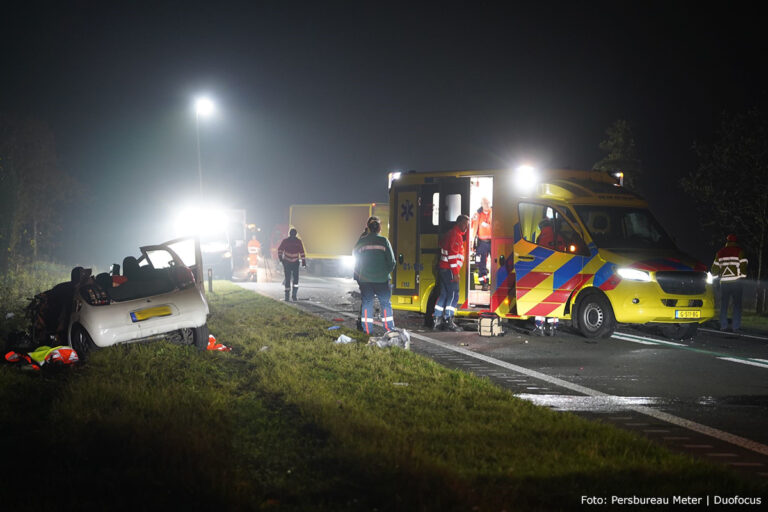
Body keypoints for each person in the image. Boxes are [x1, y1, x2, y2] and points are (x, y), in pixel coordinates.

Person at [353, 216, 396, 333]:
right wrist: (385, 272)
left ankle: (367, 331)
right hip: (382, 280)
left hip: (365, 279)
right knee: (385, 303)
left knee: (367, 303)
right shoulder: (384, 241)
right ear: (379, 228)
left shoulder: (362, 242)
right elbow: (392, 262)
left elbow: (355, 256)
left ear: (368, 228)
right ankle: (389, 329)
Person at [433, 214, 470, 331]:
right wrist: (455, 273)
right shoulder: (456, 236)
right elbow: (453, 256)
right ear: (459, 223)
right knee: (454, 294)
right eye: (465, 224)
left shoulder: (451, 233)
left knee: (444, 294)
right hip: (449, 269)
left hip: (443, 269)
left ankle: (437, 320)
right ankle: (448, 320)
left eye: (468, 225)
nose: (466, 227)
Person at [712, 233, 748, 332]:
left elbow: (714, 269)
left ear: (727, 242)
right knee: (737, 305)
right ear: (736, 241)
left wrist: (715, 277)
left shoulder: (720, 252)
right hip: (736, 282)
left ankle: (723, 326)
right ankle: (735, 327)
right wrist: (742, 276)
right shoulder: (740, 251)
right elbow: (743, 266)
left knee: (724, 304)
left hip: (724, 283)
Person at [277, 228, 306, 301]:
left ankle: (288, 297)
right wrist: (303, 261)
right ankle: (294, 296)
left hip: (287, 262)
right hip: (294, 262)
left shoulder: (285, 241)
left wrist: (281, 258)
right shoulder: (298, 241)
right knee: (295, 280)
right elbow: (302, 252)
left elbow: (280, 250)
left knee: (288, 279)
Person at [471, 197, 492, 291]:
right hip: (481, 243)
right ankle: (484, 283)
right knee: (481, 264)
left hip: (493, 242)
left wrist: (488, 225)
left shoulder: (494, 212)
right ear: (481, 204)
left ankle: (497, 283)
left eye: (488, 203)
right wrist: (472, 243)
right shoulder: (477, 214)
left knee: (498, 263)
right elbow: (472, 226)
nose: (487, 205)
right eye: (485, 203)